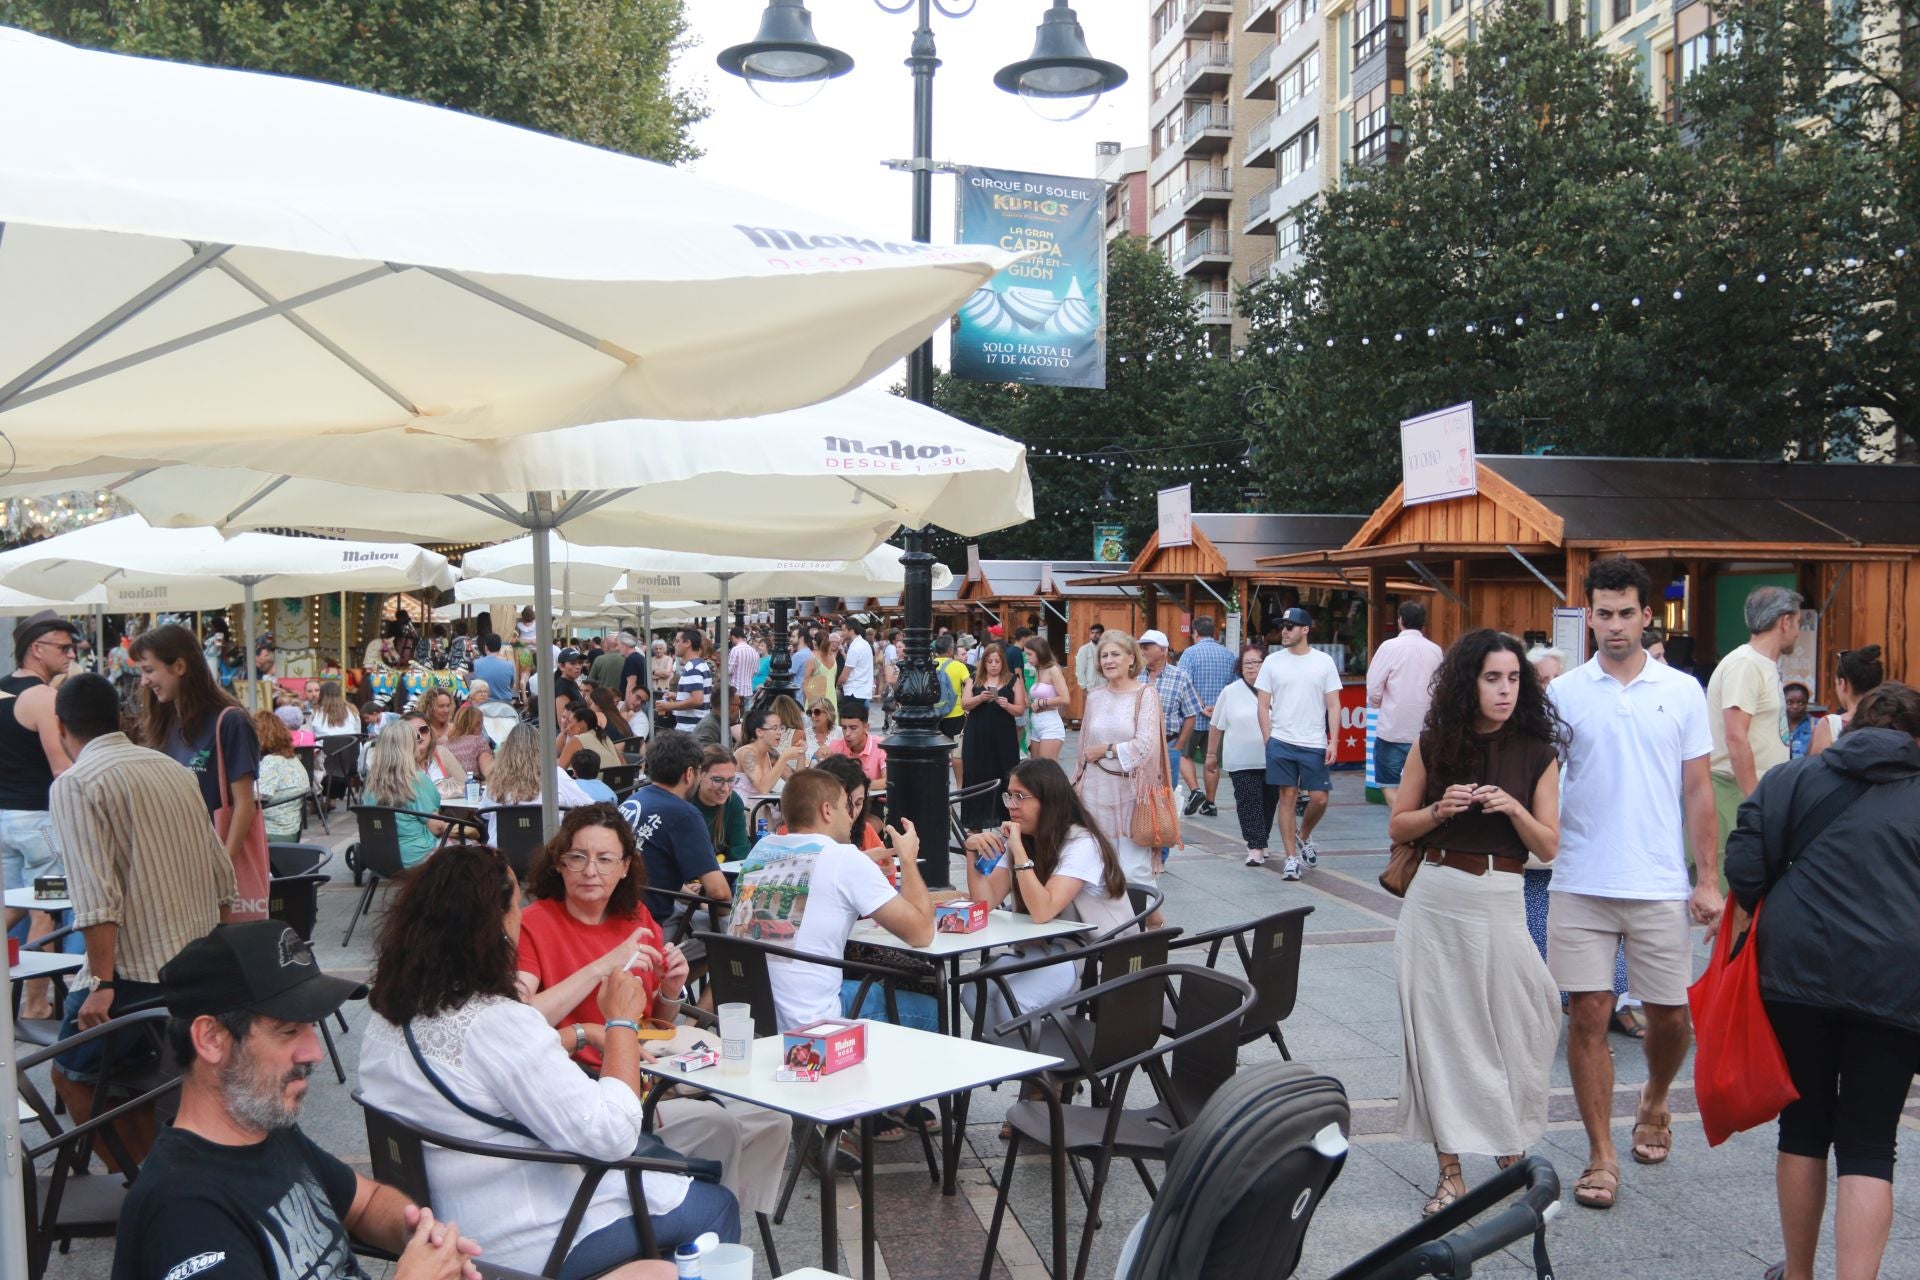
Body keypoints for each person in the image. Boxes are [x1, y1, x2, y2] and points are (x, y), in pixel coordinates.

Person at [359, 846, 731, 1278]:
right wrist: (621, 1023)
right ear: (494, 926)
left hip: (436, 1222)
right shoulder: (495, 1019)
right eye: (515, 907)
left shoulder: (388, 1017)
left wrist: (578, 1034)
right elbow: (613, 1135)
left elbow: (485, 1075)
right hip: (525, 1236)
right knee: (715, 1207)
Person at [113, 921, 491, 1280]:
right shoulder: (183, 1212)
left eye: (311, 1028)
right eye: (288, 1030)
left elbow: (365, 1203)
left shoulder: (264, 1128)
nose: (314, 1052)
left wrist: (419, 1234)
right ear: (211, 1039)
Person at [1725, 682, 1920, 1280]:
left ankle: (1799, 1273)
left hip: (1795, 972)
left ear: (1850, 726)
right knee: (1870, 1143)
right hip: (1897, 982)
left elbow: (1745, 869)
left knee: (1803, 1127)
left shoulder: (1790, 779)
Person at [1547, 556, 1721, 1211]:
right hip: (1580, 878)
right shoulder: (1564, 693)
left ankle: (1654, 1098)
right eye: (1604, 614)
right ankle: (1601, 1154)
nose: (1615, 625)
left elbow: (1698, 788)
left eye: (1626, 613)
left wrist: (1707, 879)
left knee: (1670, 1017)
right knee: (1588, 1013)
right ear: (1588, 617)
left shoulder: (1682, 691)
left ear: (1648, 616)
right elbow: (1541, 782)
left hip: (1658, 881)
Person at [1387, 630, 1566, 1215]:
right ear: (1470, 683)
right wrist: (1440, 809)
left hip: (1501, 895)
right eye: (1493, 678)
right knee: (1438, 1034)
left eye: (1513, 679)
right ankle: (1451, 1173)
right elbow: (1399, 825)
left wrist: (1512, 808)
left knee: (1527, 1019)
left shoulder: (1538, 753)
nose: (1505, 690)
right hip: (1436, 896)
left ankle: (1509, 1148)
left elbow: (1548, 846)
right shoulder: (1435, 743)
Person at [49, 673, 234, 1133]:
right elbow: (222, 877)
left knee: (69, 1076)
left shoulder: (76, 783)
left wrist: (101, 982)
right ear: (119, 718)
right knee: (140, 1079)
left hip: (134, 978)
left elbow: (96, 897)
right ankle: (155, 1162)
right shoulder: (174, 769)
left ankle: (141, 1170)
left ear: (60, 726)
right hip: (197, 968)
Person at [728, 768, 935, 1032]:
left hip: (754, 1016)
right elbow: (921, 933)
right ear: (827, 810)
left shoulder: (762, 848)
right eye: (845, 807)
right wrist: (907, 859)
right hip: (814, 1024)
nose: (851, 817)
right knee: (932, 1007)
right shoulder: (845, 859)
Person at [962, 758, 1132, 1025]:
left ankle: (1022, 1052)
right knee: (974, 993)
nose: (1011, 805)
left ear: (1048, 800)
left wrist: (1018, 852)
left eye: (1020, 797)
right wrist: (972, 852)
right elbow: (985, 901)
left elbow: (1043, 910)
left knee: (1012, 1004)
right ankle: (1009, 1050)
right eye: (1009, 796)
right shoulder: (1023, 837)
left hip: (1092, 955)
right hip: (1042, 946)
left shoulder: (1082, 844)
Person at [133, 623, 269, 921]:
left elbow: (244, 805)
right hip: (176, 868)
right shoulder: (166, 723)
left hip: (215, 871)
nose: (144, 681)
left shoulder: (230, 721)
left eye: (149, 670)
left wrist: (220, 871)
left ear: (180, 666)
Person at [2, 610, 79, 1015]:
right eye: (63, 647)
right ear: (36, 648)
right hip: (39, 824)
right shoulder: (44, 698)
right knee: (44, 907)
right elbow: (61, 769)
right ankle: (35, 1004)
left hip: (4, 820)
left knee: (10, 904)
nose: (71, 654)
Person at [1707, 584, 1801, 861]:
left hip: (1751, 793)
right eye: (1797, 623)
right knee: (1730, 879)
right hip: (1734, 791)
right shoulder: (1745, 664)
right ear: (1785, 622)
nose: (1798, 632)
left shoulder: (1761, 664)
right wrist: (1754, 802)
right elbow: (1736, 737)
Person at [1254, 607, 1342, 882]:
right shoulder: (1272, 662)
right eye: (1282, 626)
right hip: (1281, 740)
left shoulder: (1324, 661)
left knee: (1320, 798)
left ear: (1305, 630)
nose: (1284, 631)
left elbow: (1334, 704)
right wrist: (1268, 738)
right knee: (1287, 796)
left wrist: (1334, 740)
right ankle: (1291, 858)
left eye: (1290, 626)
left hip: (1314, 740)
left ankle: (1303, 834)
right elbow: (1262, 704)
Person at [1072, 630, 1165, 888]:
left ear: (1131, 659)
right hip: (1095, 791)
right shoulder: (1095, 696)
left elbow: (1145, 747)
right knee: (1097, 868)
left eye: (1115, 654)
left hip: (1132, 794)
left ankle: (1146, 912)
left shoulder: (1145, 694)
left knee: (1134, 872)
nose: (1108, 660)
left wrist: (1107, 750)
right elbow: (1084, 748)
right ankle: (1105, 915)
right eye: (1104, 656)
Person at [618, 730, 732, 921]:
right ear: (689, 773)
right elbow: (719, 894)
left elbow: (654, 872)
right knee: (728, 924)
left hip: (618, 910)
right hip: (651, 922)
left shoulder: (634, 800)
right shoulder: (683, 814)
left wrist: (694, 899)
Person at [1204, 645, 1280, 867]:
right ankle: (1254, 846)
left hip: (1273, 758)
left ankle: (1262, 840)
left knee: (1269, 802)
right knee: (1248, 803)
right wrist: (1211, 754)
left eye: (1256, 662)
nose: (1251, 667)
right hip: (1241, 759)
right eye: (1247, 663)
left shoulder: (1276, 689)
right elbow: (1216, 725)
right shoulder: (1230, 691)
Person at [1367, 602, 1445, 809]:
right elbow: (1441, 688)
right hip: (1426, 731)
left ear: (1400, 620)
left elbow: (1373, 686)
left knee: (1388, 784)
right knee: (1425, 786)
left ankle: (1405, 819)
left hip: (1393, 728)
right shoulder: (1435, 650)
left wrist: (1378, 703)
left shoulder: (1389, 647)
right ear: (1424, 623)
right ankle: (1417, 819)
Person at [481, 724, 596, 843]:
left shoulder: (495, 777)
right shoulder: (555, 774)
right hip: (550, 849)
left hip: (501, 851)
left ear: (506, 749)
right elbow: (589, 806)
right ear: (541, 748)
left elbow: (485, 813)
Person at [363, 720, 450, 867]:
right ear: (409, 746)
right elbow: (437, 827)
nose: (419, 741)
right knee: (473, 848)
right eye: (416, 738)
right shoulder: (417, 781)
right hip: (418, 858)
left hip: (380, 858)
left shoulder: (371, 785)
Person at [961, 642, 1027, 833]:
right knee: (975, 774)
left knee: (1005, 773)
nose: (993, 665)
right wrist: (980, 698)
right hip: (977, 735)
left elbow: (1020, 709)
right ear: (984, 662)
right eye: (990, 661)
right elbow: (965, 704)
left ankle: (1008, 821)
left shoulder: (1013, 680)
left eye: (997, 661)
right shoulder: (974, 678)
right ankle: (975, 824)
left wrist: (1007, 705)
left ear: (1002, 662)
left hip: (1003, 736)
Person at [1138, 630, 1201, 822]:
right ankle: (1142, 832)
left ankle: (1162, 837)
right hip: (1139, 747)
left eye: (1147, 647)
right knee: (1138, 796)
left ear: (1163, 650)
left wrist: (1179, 747)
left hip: (1169, 744)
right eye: (1141, 647)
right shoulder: (1134, 676)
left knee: (1165, 797)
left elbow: (1191, 714)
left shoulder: (1180, 677)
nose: (1143, 651)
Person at [1176, 618, 1234, 816]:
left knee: (1183, 755)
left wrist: (1201, 706)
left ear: (1195, 632)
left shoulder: (1189, 653)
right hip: (1218, 720)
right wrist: (1218, 708)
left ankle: (1195, 791)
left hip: (1192, 717)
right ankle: (1210, 803)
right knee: (1212, 760)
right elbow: (1234, 686)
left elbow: (1183, 683)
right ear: (1214, 633)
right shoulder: (1228, 655)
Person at [1810, 645, 1883, 757]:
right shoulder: (1891, 721)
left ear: (1843, 683)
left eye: (1836, 683)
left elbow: (1817, 766)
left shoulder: (1831, 725)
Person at [254, 710, 312, 843]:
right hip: (291, 830)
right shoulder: (292, 759)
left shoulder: (272, 762)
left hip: (272, 833)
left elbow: (253, 798)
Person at [736, 706, 806, 796]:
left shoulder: (771, 754)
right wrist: (784, 758)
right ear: (759, 732)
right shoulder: (747, 753)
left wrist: (801, 753)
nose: (779, 732)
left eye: (781, 728)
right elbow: (763, 788)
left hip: (763, 804)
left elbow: (797, 783)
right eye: (774, 728)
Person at [1022, 637, 1070, 762]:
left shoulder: (1053, 670)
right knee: (1035, 766)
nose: (1027, 658)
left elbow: (1065, 698)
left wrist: (1041, 703)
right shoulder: (1038, 669)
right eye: (1026, 654)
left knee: (1046, 767)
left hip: (1050, 723)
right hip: (1036, 723)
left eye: (1029, 654)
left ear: (1039, 652)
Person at [822, 697, 887, 789]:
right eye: (844, 728)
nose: (847, 734)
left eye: (853, 728)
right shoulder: (835, 747)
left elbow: (889, 781)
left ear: (866, 727)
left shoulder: (881, 745)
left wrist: (855, 786)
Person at [655, 629, 711, 734]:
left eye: (677, 641)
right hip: (696, 727)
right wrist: (677, 696)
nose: (674, 645)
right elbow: (699, 697)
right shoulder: (700, 664)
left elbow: (697, 700)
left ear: (687, 643)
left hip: (691, 729)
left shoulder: (693, 668)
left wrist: (670, 706)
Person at [444, 701, 495, 782]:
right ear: (477, 724)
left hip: (452, 787)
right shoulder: (478, 741)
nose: (482, 727)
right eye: (481, 723)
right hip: (473, 787)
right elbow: (489, 772)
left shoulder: (446, 745)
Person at [471, 634, 516, 703]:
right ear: (500, 647)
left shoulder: (477, 663)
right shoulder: (509, 665)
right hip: (505, 704)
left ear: (486, 647)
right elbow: (511, 685)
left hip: (484, 704)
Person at [1073, 623, 1107, 712]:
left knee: (1105, 712)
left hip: (1106, 686)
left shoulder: (1107, 649)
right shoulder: (1084, 649)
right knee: (1092, 713)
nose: (1094, 635)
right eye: (1092, 633)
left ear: (1102, 634)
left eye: (1097, 633)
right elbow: (1079, 671)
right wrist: (1084, 688)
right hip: (1091, 688)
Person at [589, 633, 629, 701]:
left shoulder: (599, 659)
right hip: (622, 698)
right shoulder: (626, 659)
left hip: (603, 698)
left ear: (605, 646)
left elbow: (590, 680)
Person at [802, 695, 841, 763]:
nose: (813, 716)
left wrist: (832, 756)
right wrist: (814, 756)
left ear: (828, 713)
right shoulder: (804, 734)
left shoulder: (840, 731)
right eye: (810, 713)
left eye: (817, 712)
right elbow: (801, 762)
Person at [1784, 681, 1813, 759]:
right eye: (1790, 702)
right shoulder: (1775, 726)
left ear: (1806, 703)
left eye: (1800, 703)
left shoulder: (1815, 726)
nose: (1795, 706)